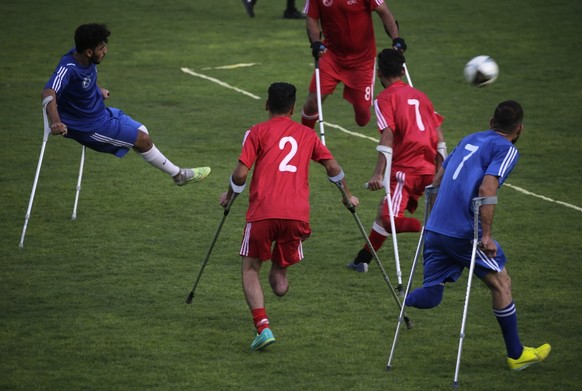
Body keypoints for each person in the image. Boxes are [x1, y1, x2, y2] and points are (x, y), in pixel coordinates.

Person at [405, 100, 551, 371]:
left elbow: (436, 182)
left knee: (432, 292)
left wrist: (436, 220)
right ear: (519, 129)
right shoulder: (505, 148)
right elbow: (487, 189)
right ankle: (517, 354)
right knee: (501, 282)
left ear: (490, 122)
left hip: (436, 229)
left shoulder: (469, 138)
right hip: (463, 232)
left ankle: (401, 300)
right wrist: (486, 236)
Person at [220, 82, 358, 351]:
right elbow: (333, 168)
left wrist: (229, 196)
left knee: (250, 268)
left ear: (266, 105)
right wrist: (347, 197)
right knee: (279, 282)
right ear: (294, 109)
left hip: (262, 213)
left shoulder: (256, 132)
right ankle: (279, 271)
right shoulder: (308, 135)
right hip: (296, 215)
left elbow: (240, 174)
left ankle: (263, 328)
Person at [41, 23, 210, 186]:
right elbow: (48, 92)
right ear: (88, 51)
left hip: (102, 113)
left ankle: (175, 172)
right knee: (143, 140)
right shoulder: (68, 67)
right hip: (89, 126)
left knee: (143, 131)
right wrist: (56, 121)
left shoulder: (86, 60)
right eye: (101, 49)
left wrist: (98, 89)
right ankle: (179, 175)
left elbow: (83, 80)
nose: (105, 51)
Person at [347, 49, 446, 273]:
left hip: (405, 170)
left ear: (378, 72)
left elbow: (388, 135)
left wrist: (378, 174)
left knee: (390, 219)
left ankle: (427, 230)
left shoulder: (384, 98)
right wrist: (441, 171)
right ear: (403, 70)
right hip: (430, 168)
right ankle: (362, 260)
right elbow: (440, 140)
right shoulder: (422, 96)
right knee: (384, 209)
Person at [300, 0, 406, 129]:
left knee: (362, 118)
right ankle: (304, 140)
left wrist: (396, 38)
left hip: (362, 60)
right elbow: (312, 18)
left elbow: (384, 12)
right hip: (331, 56)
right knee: (312, 103)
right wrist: (316, 42)